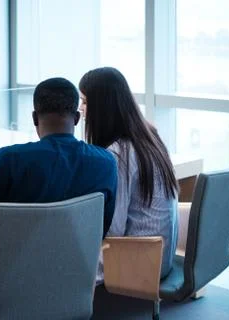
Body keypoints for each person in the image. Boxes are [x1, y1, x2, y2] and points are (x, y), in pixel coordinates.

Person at [0, 77, 118, 317]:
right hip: (71, 279)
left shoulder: (9, 160)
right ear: (77, 118)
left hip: (11, 284)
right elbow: (100, 228)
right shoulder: (106, 163)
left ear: (35, 118)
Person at [78, 67, 179, 282]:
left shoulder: (117, 154)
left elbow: (113, 229)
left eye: (85, 102)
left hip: (140, 261)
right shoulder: (148, 136)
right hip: (161, 258)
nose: (81, 109)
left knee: (61, 259)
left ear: (102, 107)